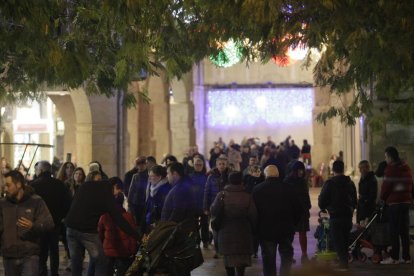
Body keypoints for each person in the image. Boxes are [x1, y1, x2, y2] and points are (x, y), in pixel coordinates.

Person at [65, 178, 141, 275]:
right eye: (118, 191)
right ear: (114, 186)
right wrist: (138, 237)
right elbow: (119, 220)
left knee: (76, 262)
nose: (117, 195)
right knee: (102, 260)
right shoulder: (107, 194)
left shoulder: (86, 185)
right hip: (87, 232)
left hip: (70, 228)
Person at [0, 170, 54, 275]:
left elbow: (49, 223)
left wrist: (33, 226)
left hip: (30, 255)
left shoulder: (36, 201)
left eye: (8, 185)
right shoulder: (2, 204)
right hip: (9, 255)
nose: (5, 189)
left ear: (19, 184)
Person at [252, 165, 302, 276]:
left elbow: (253, 212)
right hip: (286, 229)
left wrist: (256, 228)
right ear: (278, 175)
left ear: (265, 175)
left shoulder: (257, 189)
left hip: (266, 231)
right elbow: (298, 208)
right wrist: (293, 224)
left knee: (268, 259)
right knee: (286, 255)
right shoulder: (289, 188)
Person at [210, 172, 257, 276]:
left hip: (225, 231)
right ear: (241, 181)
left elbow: (213, 210)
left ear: (229, 181)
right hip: (243, 231)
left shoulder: (222, 194)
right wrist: (254, 229)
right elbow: (253, 215)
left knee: (228, 260)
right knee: (241, 261)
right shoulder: (247, 196)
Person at [30, 161, 72, 276]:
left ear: (41, 170)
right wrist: (60, 216)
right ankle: (54, 273)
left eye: (37, 169)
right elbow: (68, 203)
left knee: (41, 250)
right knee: (54, 250)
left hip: (39, 223)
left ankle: (42, 272)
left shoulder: (33, 185)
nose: (36, 171)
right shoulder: (59, 184)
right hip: (55, 222)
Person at [318, 160, 357, 271]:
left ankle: (343, 264)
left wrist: (325, 208)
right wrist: (352, 208)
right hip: (348, 215)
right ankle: (344, 262)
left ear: (333, 170)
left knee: (337, 240)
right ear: (343, 169)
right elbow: (355, 200)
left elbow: (322, 201)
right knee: (345, 238)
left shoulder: (329, 183)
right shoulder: (350, 183)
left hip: (335, 216)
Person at [98, 178, 138, 276]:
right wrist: (132, 251)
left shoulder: (104, 216)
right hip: (123, 252)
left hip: (108, 252)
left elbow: (100, 234)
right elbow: (132, 235)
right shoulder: (129, 216)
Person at [380, 146, 413, 265]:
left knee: (393, 231)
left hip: (394, 203)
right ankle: (406, 257)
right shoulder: (406, 167)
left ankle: (394, 257)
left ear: (390, 157)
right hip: (405, 202)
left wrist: (382, 198)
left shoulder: (391, 169)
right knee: (404, 231)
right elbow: (410, 184)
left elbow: (386, 187)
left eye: (386, 157)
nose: (385, 159)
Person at [284, 161, 311, 263]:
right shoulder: (288, 181)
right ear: (295, 170)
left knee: (302, 233)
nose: (301, 172)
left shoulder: (302, 181)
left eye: (302, 170)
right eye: (300, 170)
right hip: (292, 210)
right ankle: (289, 255)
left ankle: (304, 254)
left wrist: (308, 207)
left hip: (302, 210)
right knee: (290, 234)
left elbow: (306, 195)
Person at [204, 156, 231, 258]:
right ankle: (218, 250)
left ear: (226, 164)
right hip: (214, 206)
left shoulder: (230, 175)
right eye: (220, 164)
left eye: (223, 164)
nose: (222, 166)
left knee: (226, 229)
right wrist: (205, 207)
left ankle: (226, 249)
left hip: (227, 206)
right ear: (217, 165)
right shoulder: (211, 177)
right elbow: (206, 192)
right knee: (215, 229)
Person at [142, 165, 171, 234]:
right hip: (151, 223)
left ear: (159, 177)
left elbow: (165, 211)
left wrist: (157, 223)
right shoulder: (153, 188)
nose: (149, 178)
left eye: (152, 176)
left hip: (159, 226)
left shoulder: (165, 190)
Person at [128, 156, 149, 223]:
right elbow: (131, 190)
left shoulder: (149, 175)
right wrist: (130, 203)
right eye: (139, 164)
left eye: (142, 164)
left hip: (145, 202)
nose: (141, 166)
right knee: (137, 222)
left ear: (145, 164)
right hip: (136, 203)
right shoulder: (135, 176)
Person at [356, 160, 378, 224]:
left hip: (368, 209)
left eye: (361, 168)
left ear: (367, 168)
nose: (360, 170)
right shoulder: (363, 178)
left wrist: (363, 198)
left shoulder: (371, 180)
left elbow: (373, 195)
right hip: (362, 207)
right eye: (359, 168)